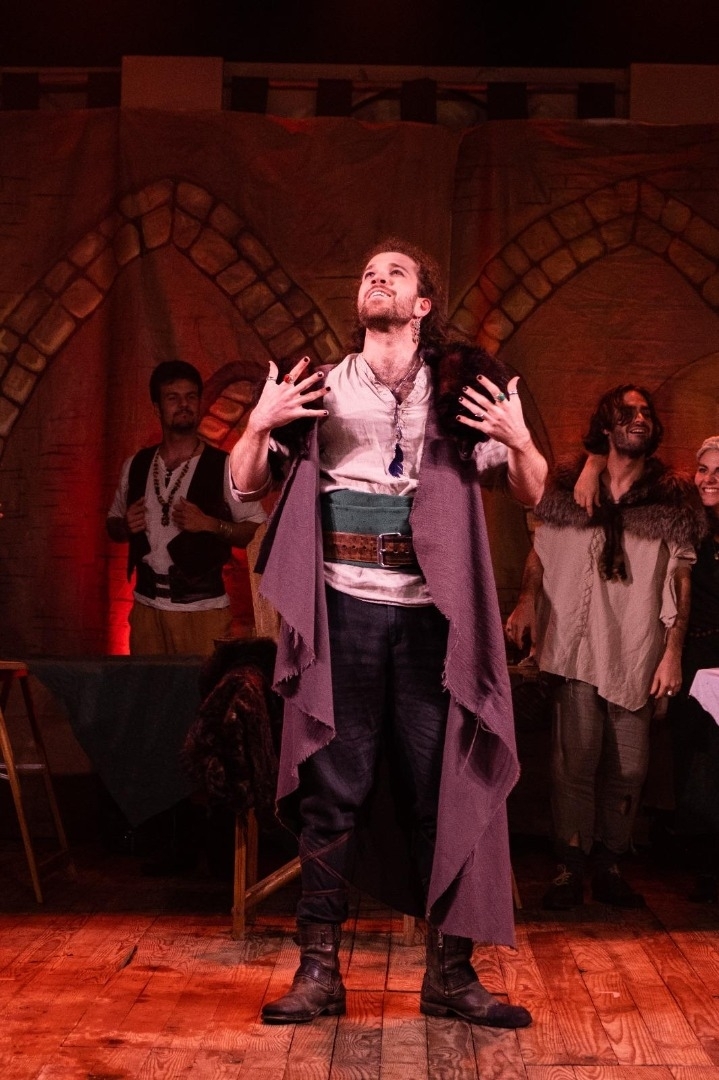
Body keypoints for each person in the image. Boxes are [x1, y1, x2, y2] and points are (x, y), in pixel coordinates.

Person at [229, 239, 546, 1027]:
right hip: (344, 609)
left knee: (444, 785)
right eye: (368, 273)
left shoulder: (460, 389)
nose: (377, 279)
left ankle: (450, 974)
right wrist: (258, 422)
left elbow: (532, 491)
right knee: (331, 790)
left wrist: (518, 441)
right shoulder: (317, 384)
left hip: (431, 616)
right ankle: (318, 971)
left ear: (422, 305)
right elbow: (242, 485)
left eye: (394, 273)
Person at [506, 385, 705, 910]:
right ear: (605, 425)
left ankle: (611, 862)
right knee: (574, 762)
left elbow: (681, 577)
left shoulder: (668, 498)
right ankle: (570, 867)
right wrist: (526, 602)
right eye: (627, 411)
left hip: (635, 648)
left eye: (646, 413)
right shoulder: (571, 487)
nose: (640, 418)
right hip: (577, 646)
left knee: (630, 768)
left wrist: (672, 652)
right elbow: (541, 550)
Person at [107, 360, 265, 657]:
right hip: (147, 611)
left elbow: (256, 528)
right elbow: (112, 524)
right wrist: (125, 526)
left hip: (203, 613)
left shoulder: (224, 466)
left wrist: (211, 524)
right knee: (147, 687)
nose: (184, 405)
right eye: (173, 398)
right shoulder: (136, 465)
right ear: (157, 408)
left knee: (203, 688)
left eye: (191, 396)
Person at [668, 436, 719, 902]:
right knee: (698, 760)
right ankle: (707, 865)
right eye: (703, 469)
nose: (709, 479)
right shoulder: (685, 524)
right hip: (695, 654)